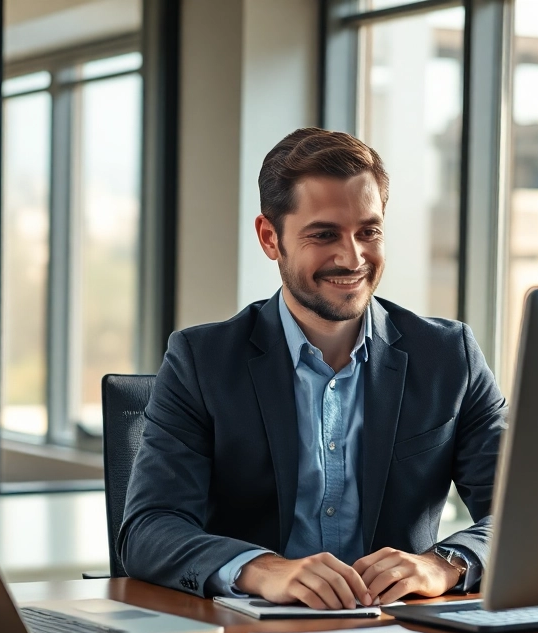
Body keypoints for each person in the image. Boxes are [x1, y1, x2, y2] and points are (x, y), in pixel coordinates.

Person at [117, 127, 506, 608]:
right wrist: (261, 570)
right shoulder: (202, 361)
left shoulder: (449, 356)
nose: (352, 256)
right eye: (324, 234)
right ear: (270, 238)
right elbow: (148, 529)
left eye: (369, 231)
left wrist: (445, 563)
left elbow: (524, 513)